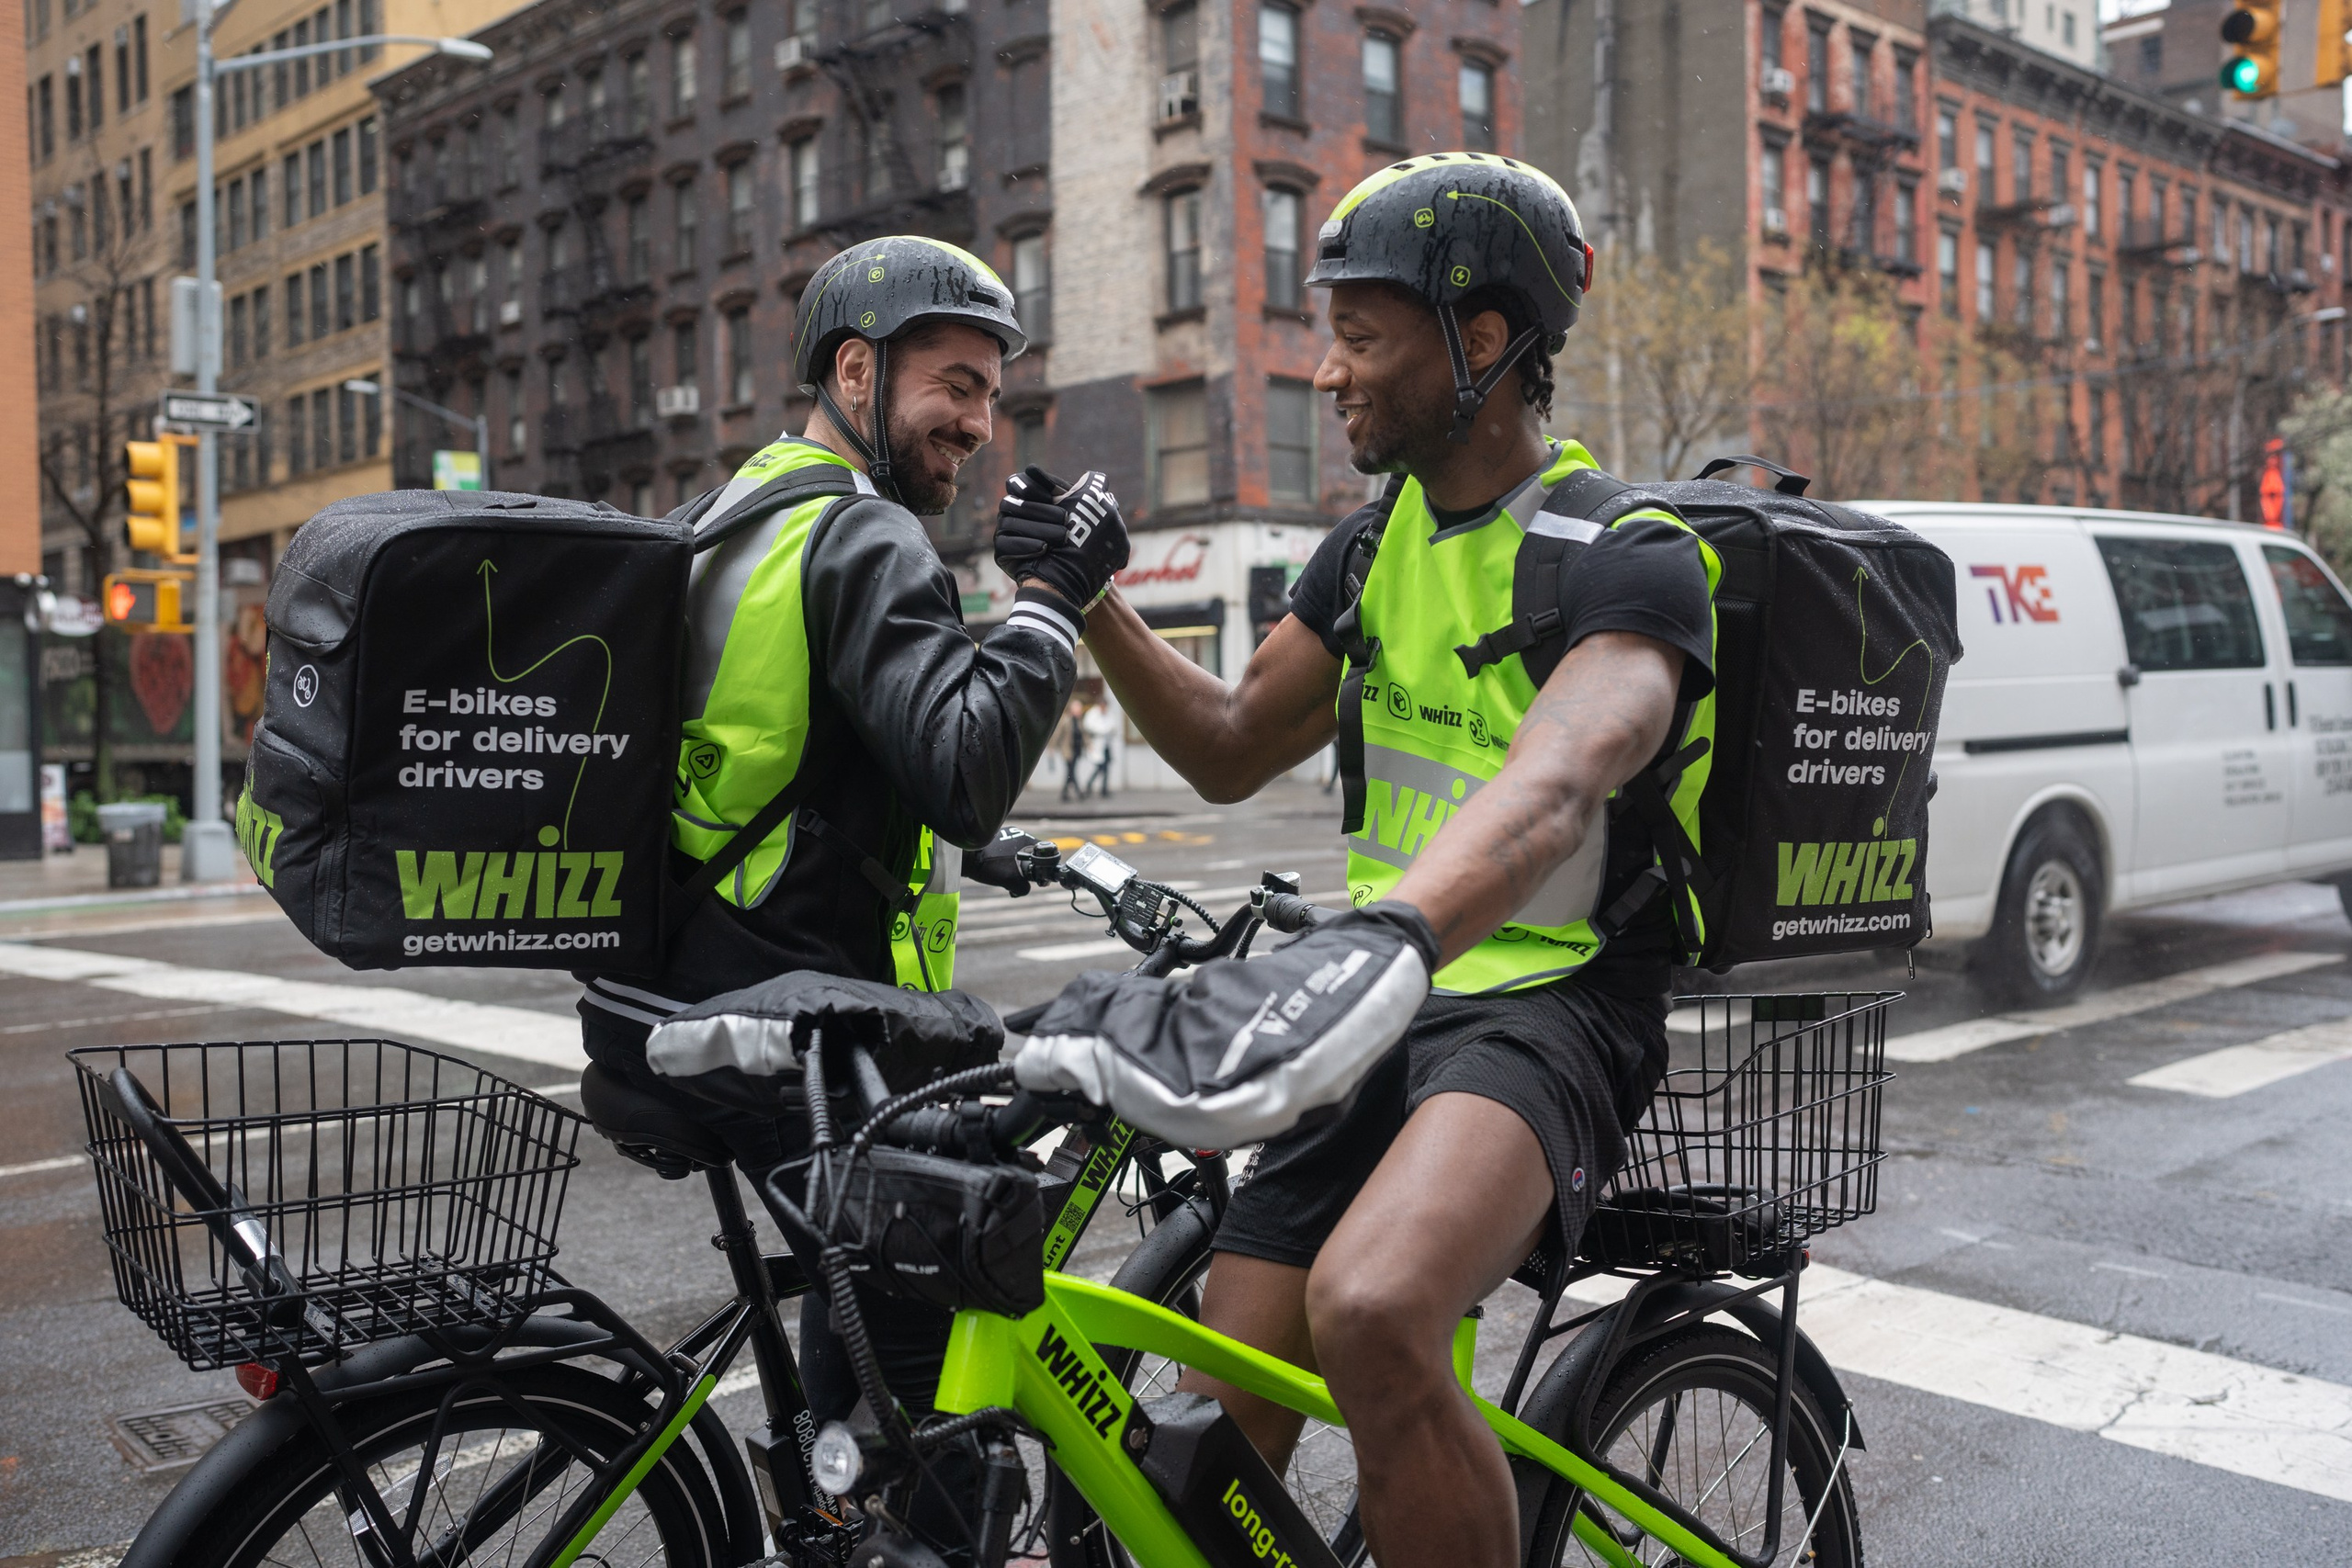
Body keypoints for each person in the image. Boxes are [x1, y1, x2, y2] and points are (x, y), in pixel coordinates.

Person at [1013, 155, 1718, 1567]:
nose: (1328, 370)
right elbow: (1223, 741)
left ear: (1480, 341)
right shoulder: (1370, 545)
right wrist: (1089, 601)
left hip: (1550, 1006)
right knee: (1211, 1424)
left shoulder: (1629, 555)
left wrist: (1392, 932)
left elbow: (1560, 779)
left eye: (1360, 335)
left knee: (1379, 1305)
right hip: (1384, 1000)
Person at [574, 235, 1127, 1541]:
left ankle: (831, 1494)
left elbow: (778, 753)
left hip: (663, 1007)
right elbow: (966, 766)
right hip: (795, 1049)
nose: (979, 425)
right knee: (949, 1376)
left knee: (861, 1378)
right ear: (858, 369)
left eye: (993, 395)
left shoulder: (726, 519)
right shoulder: (861, 533)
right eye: (955, 385)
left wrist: (952, 845)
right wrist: (1054, 596)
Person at [1081, 697, 1118, 798]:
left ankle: (1104, 789)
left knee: (1106, 768)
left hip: (1106, 745)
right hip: (1096, 745)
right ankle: (1090, 785)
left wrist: (1108, 730)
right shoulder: (1093, 714)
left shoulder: (1109, 714)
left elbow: (1113, 727)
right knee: (1101, 767)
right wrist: (1104, 731)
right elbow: (1089, 726)